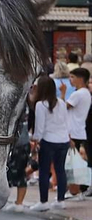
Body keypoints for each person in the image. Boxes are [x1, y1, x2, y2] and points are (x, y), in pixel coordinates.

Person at [30, 71, 72, 210]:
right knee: (60, 170)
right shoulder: (61, 102)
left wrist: (35, 139)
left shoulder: (40, 105)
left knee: (44, 170)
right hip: (63, 140)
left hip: (48, 140)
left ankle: (43, 202)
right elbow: (66, 122)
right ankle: (60, 200)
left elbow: (39, 128)